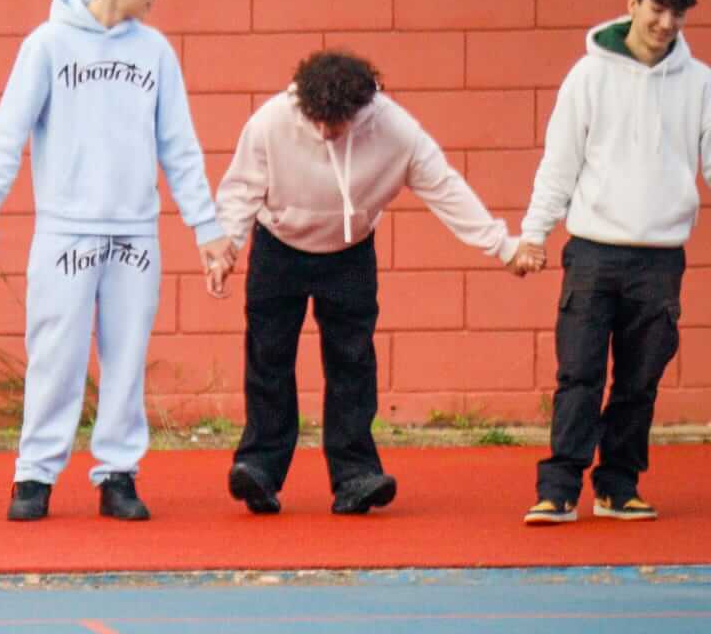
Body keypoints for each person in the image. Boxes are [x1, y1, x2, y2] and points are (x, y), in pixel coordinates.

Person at [0, 0, 232, 523]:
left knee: (127, 356)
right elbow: (8, 132)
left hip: (135, 230)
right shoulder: (47, 45)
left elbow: (179, 145)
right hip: (65, 229)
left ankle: (117, 473)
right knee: (54, 354)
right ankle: (34, 475)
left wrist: (206, 227)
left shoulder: (155, 51)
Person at [214, 50, 526, 515]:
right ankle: (259, 467)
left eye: (337, 124)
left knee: (353, 360)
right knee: (268, 355)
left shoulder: (396, 131)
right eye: (317, 121)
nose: (325, 132)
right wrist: (226, 246)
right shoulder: (270, 122)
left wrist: (501, 245)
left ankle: (356, 475)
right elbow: (240, 188)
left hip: (350, 251)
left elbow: (445, 188)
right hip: (278, 246)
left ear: (361, 111)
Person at [516, 0, 710, 525]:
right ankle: (558, 488)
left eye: (679, 14)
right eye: (658, 9)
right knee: (578, 373)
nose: (667, 23)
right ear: (631, 4)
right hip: (593, 253)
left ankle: (618, 486)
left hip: (660, 259)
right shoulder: (588, 77)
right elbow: (559, 164)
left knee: (639, 380)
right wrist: (534, 233)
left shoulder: (700, 84)